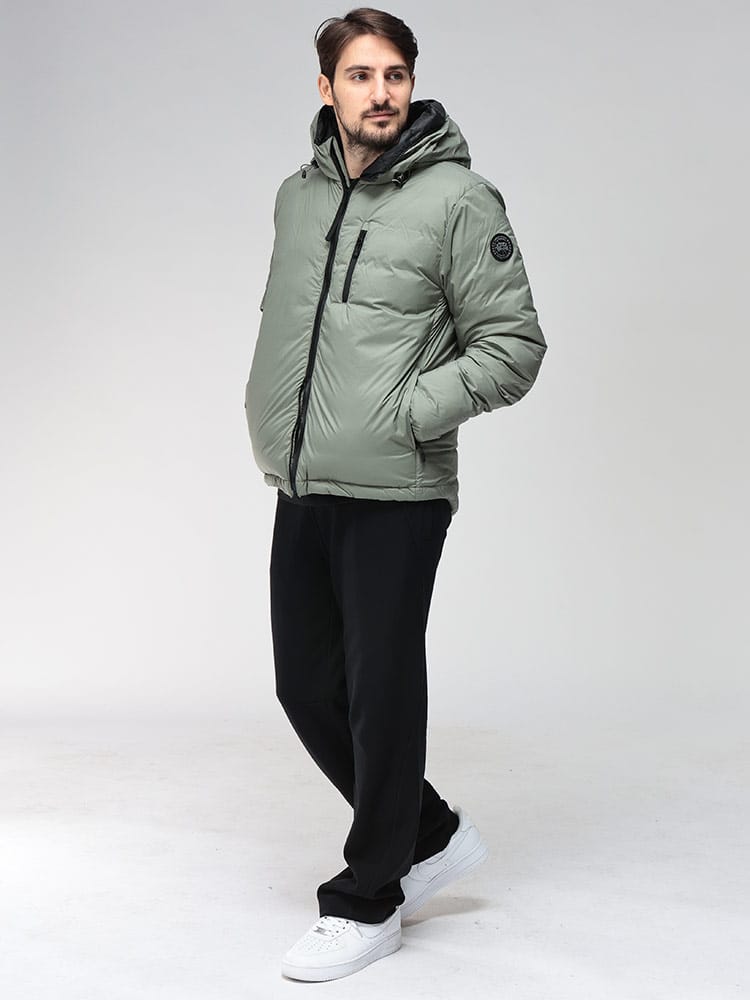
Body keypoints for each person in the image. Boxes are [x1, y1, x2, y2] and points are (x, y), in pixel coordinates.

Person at [243, 6, 547, 982]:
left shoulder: (459, 199)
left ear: (411, 84)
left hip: (398, 489)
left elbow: (514, 345)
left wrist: (407, 412)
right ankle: (430, 832)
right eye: (361, 75)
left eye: (396, 75)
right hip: (304, 477)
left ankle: (371, 895)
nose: (382, 93)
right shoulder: (298, 198)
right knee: (305, 684)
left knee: (380, 690)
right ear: (326, 88)